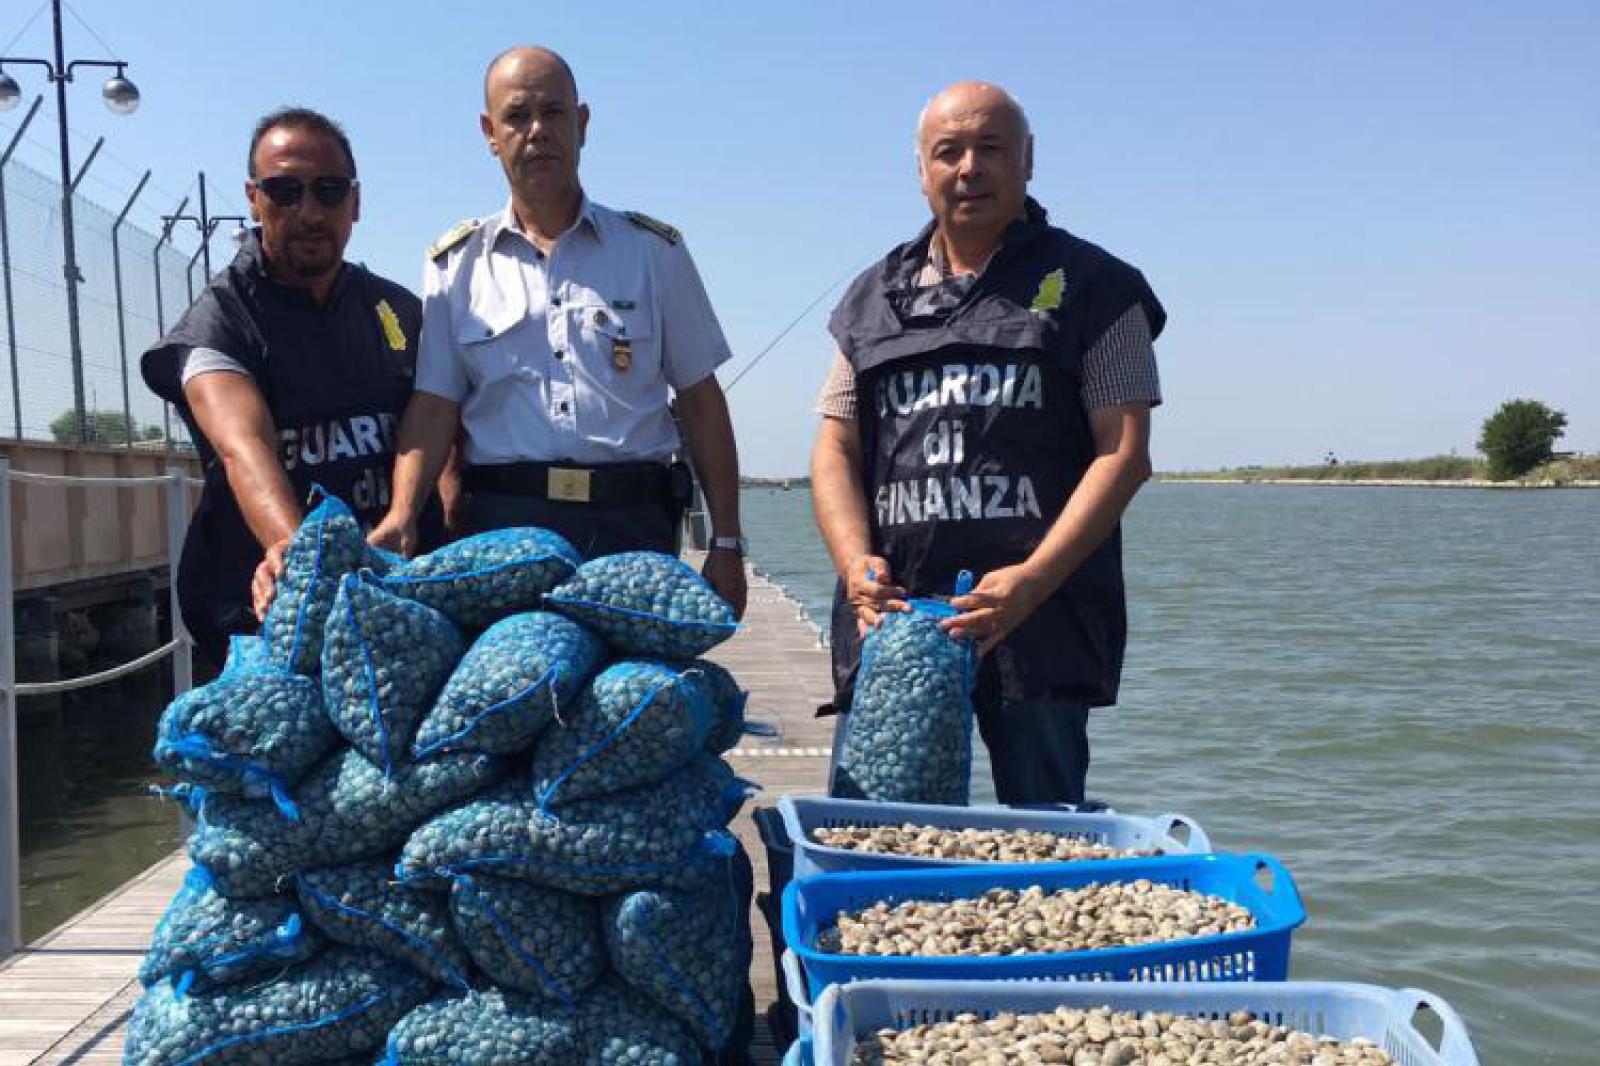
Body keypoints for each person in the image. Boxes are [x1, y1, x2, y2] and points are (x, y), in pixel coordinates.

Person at [810, 81, 1166, 805]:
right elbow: (835, 446)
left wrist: (1032, 580)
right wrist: (854, 566)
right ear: (921, 169)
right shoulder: (871, 298)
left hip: (1040, 619)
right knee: (877, 836)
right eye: (949, 152)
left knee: (1045, 837)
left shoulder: (1099, 287)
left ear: (1028, 161)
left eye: (990, 148)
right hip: (897, 616)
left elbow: (1124, 453)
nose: (969, 167)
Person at [369, 46, 747, 618]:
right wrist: (402, 514)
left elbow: (701, 401)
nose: (537, 131)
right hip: (502, 526)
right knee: (512, 672)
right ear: (490, 133)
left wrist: (726, 541)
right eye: (517, 116)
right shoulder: (455, 264)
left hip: (632, 525)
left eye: (553, 112)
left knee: (637, 678)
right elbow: (434, 405)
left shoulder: (653, 252)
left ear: (582, 123)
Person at [142, 107, 451, 667]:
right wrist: (295, 550)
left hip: (397, 608)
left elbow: (439, 424)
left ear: (355, 202)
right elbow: (243, 446)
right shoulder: (221, 320)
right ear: (253, 199)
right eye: (284, 192)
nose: (309, 212)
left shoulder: (399, 311)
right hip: (266, 614)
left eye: (329, 191)